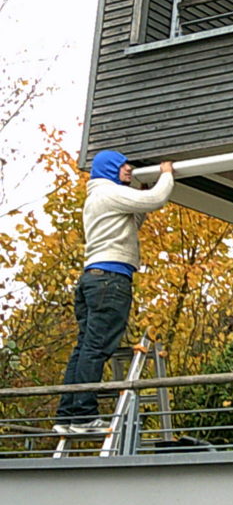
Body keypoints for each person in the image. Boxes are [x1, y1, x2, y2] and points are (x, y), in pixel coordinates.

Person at [53, 151, 174, 434]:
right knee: (96, 348)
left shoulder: (98, 197)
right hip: (111, 280)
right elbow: (156, 199)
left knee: (84, 347)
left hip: (93, 280)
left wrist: (140, 196)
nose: (129, 169)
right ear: (109, 169)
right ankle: (83, 416)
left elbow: (131, 222)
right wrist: (166, 173)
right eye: (123, 166)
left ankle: (67, 416)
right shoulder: (109, 192)